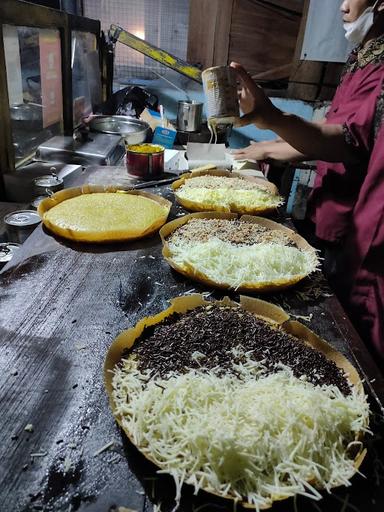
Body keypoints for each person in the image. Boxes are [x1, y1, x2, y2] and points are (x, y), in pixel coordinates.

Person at [231, 0, 384, 360]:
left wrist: (273, 118)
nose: (343, 6)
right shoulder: (362, 57)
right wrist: (271, 143)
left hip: (363, 238)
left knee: (356, 348)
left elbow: (345, 141)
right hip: (340, 222)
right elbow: (338, 134)